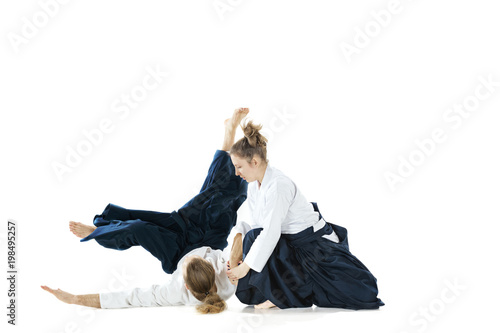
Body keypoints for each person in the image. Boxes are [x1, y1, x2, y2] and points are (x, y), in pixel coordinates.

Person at [41, 108, 250, 314]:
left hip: (175, 251)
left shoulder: (174, 293)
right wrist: (234, 259)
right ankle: (228, 134)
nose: (193, 256)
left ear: (184, 284)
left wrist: (74, 299)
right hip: (210, 239)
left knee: (140, 228)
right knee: (220, 195)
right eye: (200, 261)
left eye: (189, 263)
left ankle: (97, 232)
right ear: (212, 268)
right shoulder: (228, 281)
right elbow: (242, 232)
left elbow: (129, 298)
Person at [226, 119, 385, 310]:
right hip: (289, 244)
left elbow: (269, 232)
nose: (236, 172)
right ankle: (282, 294)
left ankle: (286, 294)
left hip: (315, 247)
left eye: (239, 166)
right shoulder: (254, 187)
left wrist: (244, 268)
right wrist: (238, 245)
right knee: (252, 240)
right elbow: (257, 227)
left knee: (364, 291)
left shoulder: (278, 185)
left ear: (255, 161)